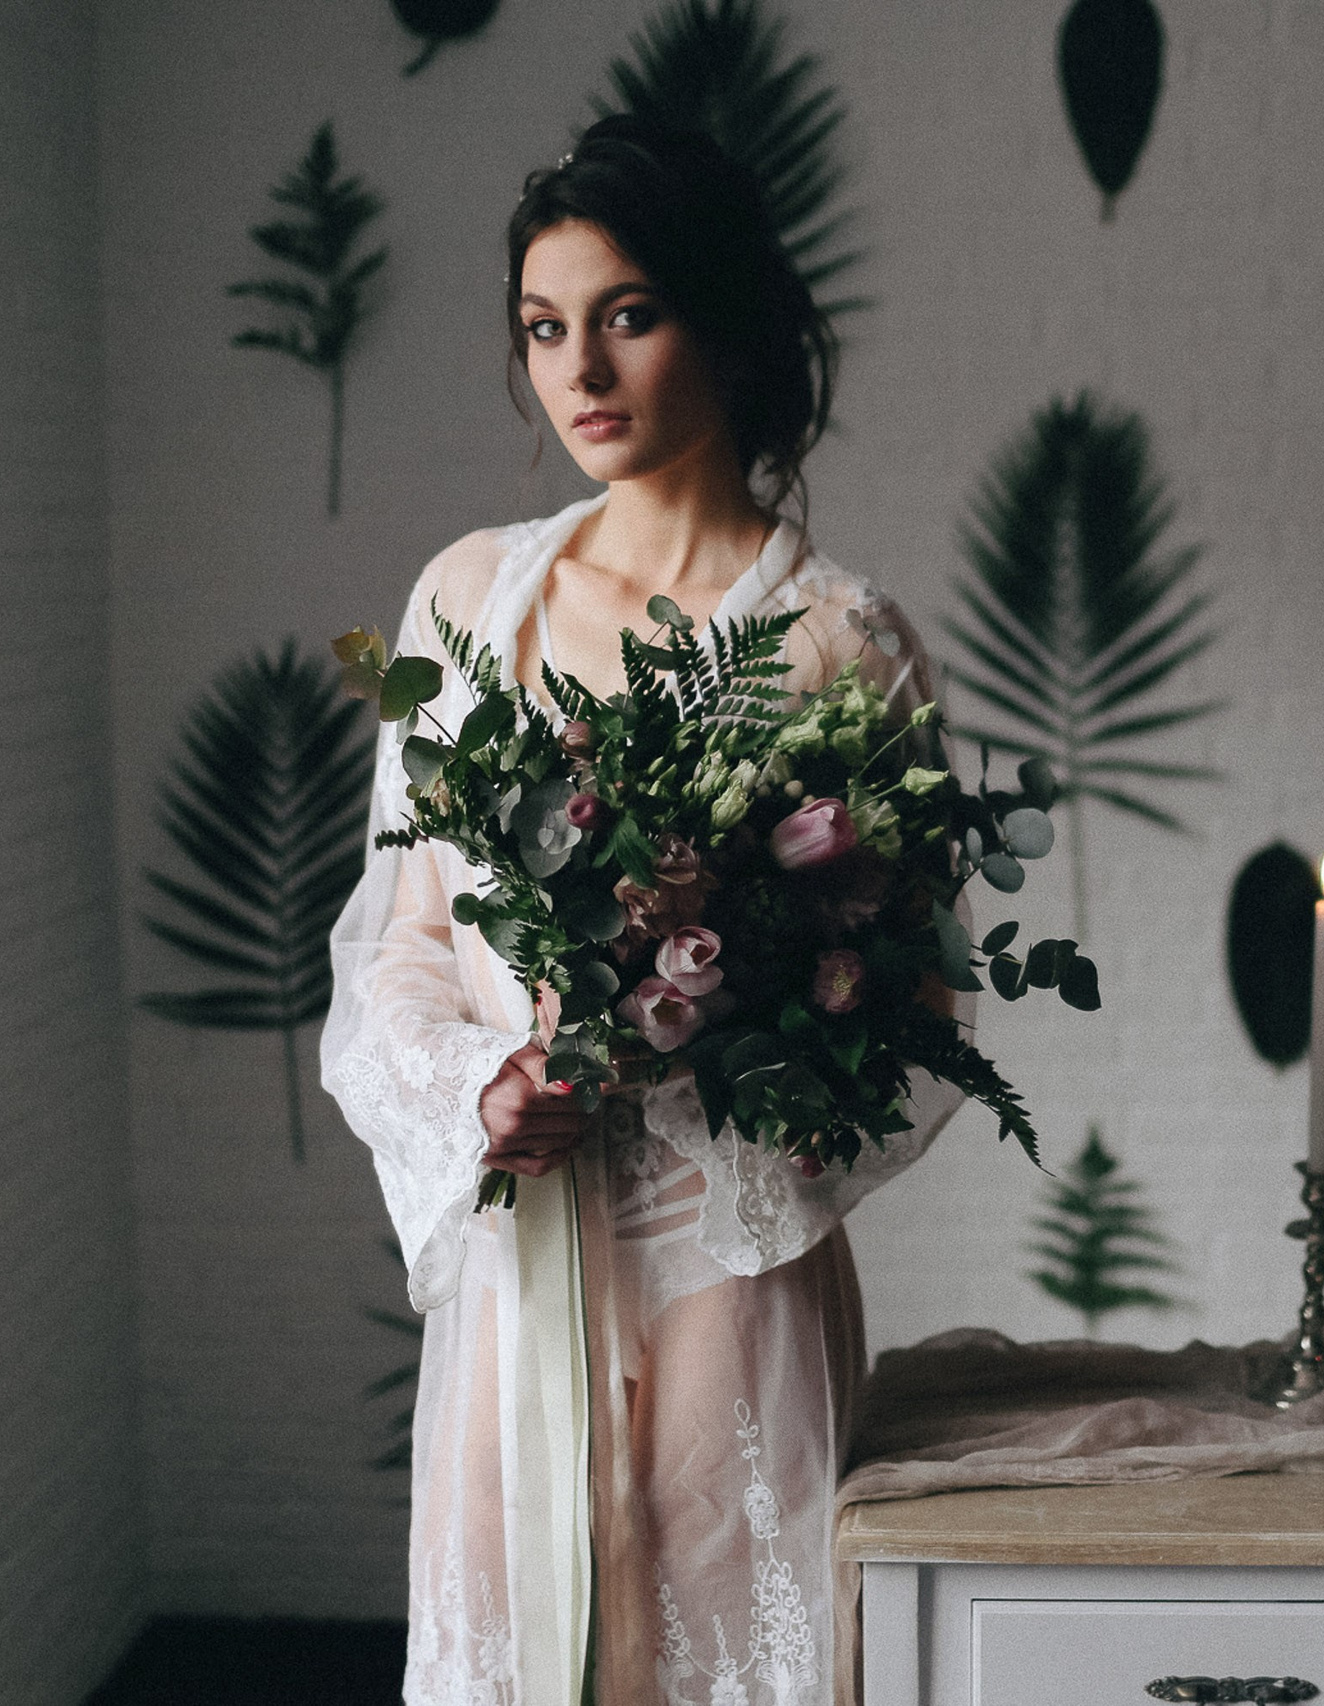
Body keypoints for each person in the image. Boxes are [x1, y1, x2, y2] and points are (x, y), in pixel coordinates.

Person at [323, 116, 961, 1706]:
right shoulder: (467, 600)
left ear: (726, 321)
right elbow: (400, 940)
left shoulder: (841, 643)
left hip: (725, 1285)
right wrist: (484, 1088)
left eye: (628, 315)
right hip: (516, 1274)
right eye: (545, 328)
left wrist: (710, 1046)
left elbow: (919, 1013)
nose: (581, 372)